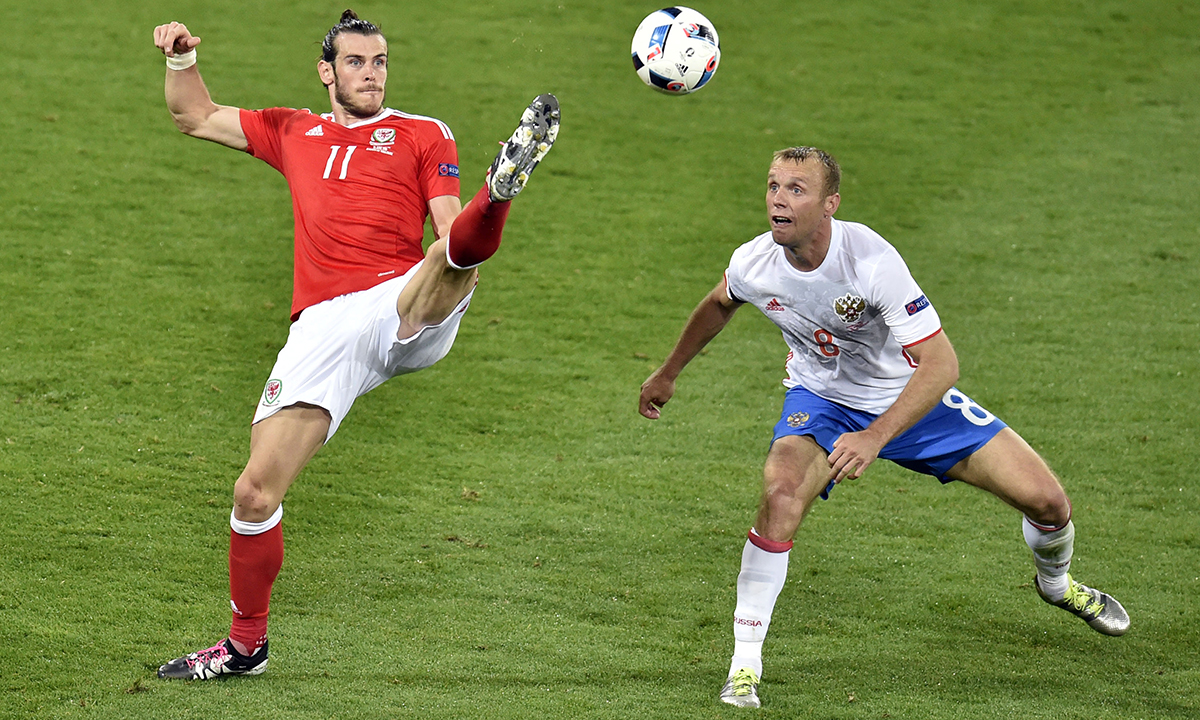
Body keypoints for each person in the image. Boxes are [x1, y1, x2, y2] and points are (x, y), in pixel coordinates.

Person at [638, 147, 1128, 708]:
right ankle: (744, 667)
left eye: (797, 189)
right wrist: (668, 371)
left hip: (912, 400)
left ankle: (1059, 586)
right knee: (779, 495)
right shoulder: (755, 261)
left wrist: (877, 436)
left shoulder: (869, 260)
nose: (778, 198)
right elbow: (721, 302)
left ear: (830, 204)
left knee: (1048, 503)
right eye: (773, 185)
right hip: (823, 404)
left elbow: (941, 364)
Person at [151, 10, 559, 680]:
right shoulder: (291, 130)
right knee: (254, 495)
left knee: (452, 258)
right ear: (327, 71)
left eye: (380, 62)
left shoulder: (423, 134)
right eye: (357, 63)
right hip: (323, 330)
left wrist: (470, 226)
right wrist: (179, 58)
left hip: (399, 301)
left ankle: (502, 190)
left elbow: (449, 228)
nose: (372, 74)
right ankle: (245, 648)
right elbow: (194, 115)